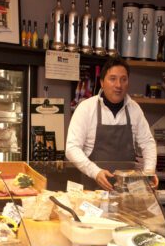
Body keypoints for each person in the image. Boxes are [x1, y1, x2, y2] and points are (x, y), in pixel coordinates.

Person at [66, 57, 157, 190]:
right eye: (112, 79)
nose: (118, 85)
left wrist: (149, 172)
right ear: (102, 82)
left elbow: (148, 143)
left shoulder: (134, 109)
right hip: (92, 193)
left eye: (123, 79)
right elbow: (71, 148)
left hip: (127, 193)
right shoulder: (86, 108)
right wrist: (95, 172)